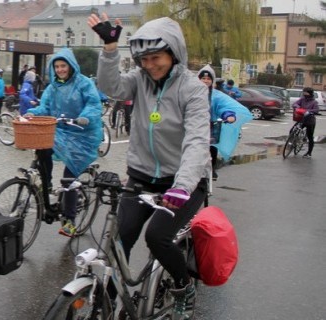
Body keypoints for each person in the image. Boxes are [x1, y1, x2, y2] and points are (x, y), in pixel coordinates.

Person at [89, 13, 210, 317]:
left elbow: (196, 142)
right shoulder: (139, 80)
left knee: (157, 237)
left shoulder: (192, 89)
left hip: (182, 183)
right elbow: (111, 87)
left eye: (156, 57)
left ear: (173, 53)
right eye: (143, 59)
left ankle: (184, 287)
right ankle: (106, 302)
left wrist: (182, 186)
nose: (149, 65)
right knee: (121, 238)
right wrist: (109, 48)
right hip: (142, 176)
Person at [24, 48, 103, 236]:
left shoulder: (84, 83)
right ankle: (47, 184)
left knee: (69, 178)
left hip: (82, 133)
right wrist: (31, 113)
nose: (60, 69)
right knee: (42, 149)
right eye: (57, 66)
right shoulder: (52, 88)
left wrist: (85, 117)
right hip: (60, 130)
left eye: (63, 66)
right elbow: (45, 107)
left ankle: (69, 220)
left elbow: (93, 104)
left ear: (71, 66)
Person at [197, 65, 252, 179]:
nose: (205, 81)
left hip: (210, 127)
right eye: (203, 78)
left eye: (208, 79)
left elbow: (223, 106)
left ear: (212, 81)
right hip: (193, 127)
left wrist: (228, 115)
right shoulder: (190, 93)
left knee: (212, 147)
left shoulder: (216, 96)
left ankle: (211, 170)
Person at [292, 87, 319, 158]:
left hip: (310, 121)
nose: (304, 93)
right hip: (302, 119)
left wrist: (309, 112)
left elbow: (316, 110)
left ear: (310, 93)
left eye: (306, 92)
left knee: (310, 137)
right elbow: (295, 104)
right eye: (304, 92)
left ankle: (309, 153)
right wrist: (297, 107)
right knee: (292, 130)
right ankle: (293, 142)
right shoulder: (302, 99)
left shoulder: (314, 102)